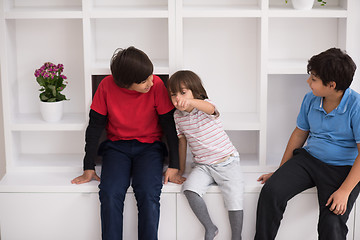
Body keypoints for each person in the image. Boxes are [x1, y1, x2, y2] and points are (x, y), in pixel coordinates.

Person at [71, 46, 185, 240]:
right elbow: (95, 127)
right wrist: (88, 166)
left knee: (149, 193)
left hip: (150, 148)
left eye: (151, 75)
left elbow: (169, 126)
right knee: (109, 193)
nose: (151, 81)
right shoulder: (106, 86)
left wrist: (175, 165)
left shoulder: (156, 84)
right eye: (144, 81)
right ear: (126, 83)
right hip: (117, 148)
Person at [255, 48, 360, 240]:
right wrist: (281, 171)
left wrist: (345, 191)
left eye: (313, 78)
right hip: (309, 160)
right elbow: (299, 134)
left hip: (342, 168)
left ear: (331, 85)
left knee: (332, 222)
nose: (308, 82)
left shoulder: (356, 106)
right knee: (271, 191)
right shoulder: (310, 99)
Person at [168, 70, 244, 240]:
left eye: (183, 92)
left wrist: (191, 101)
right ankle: (210, 227)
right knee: (189, 190)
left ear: (195, 92)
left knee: (234, 197)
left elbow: (210, 108)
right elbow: (182, 143)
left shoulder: (204, 106)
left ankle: (237, 236)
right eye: (173, 94)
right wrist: (180, 170)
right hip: (203, 166)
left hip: (227, 161)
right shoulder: (177, 117)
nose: (178, 98)